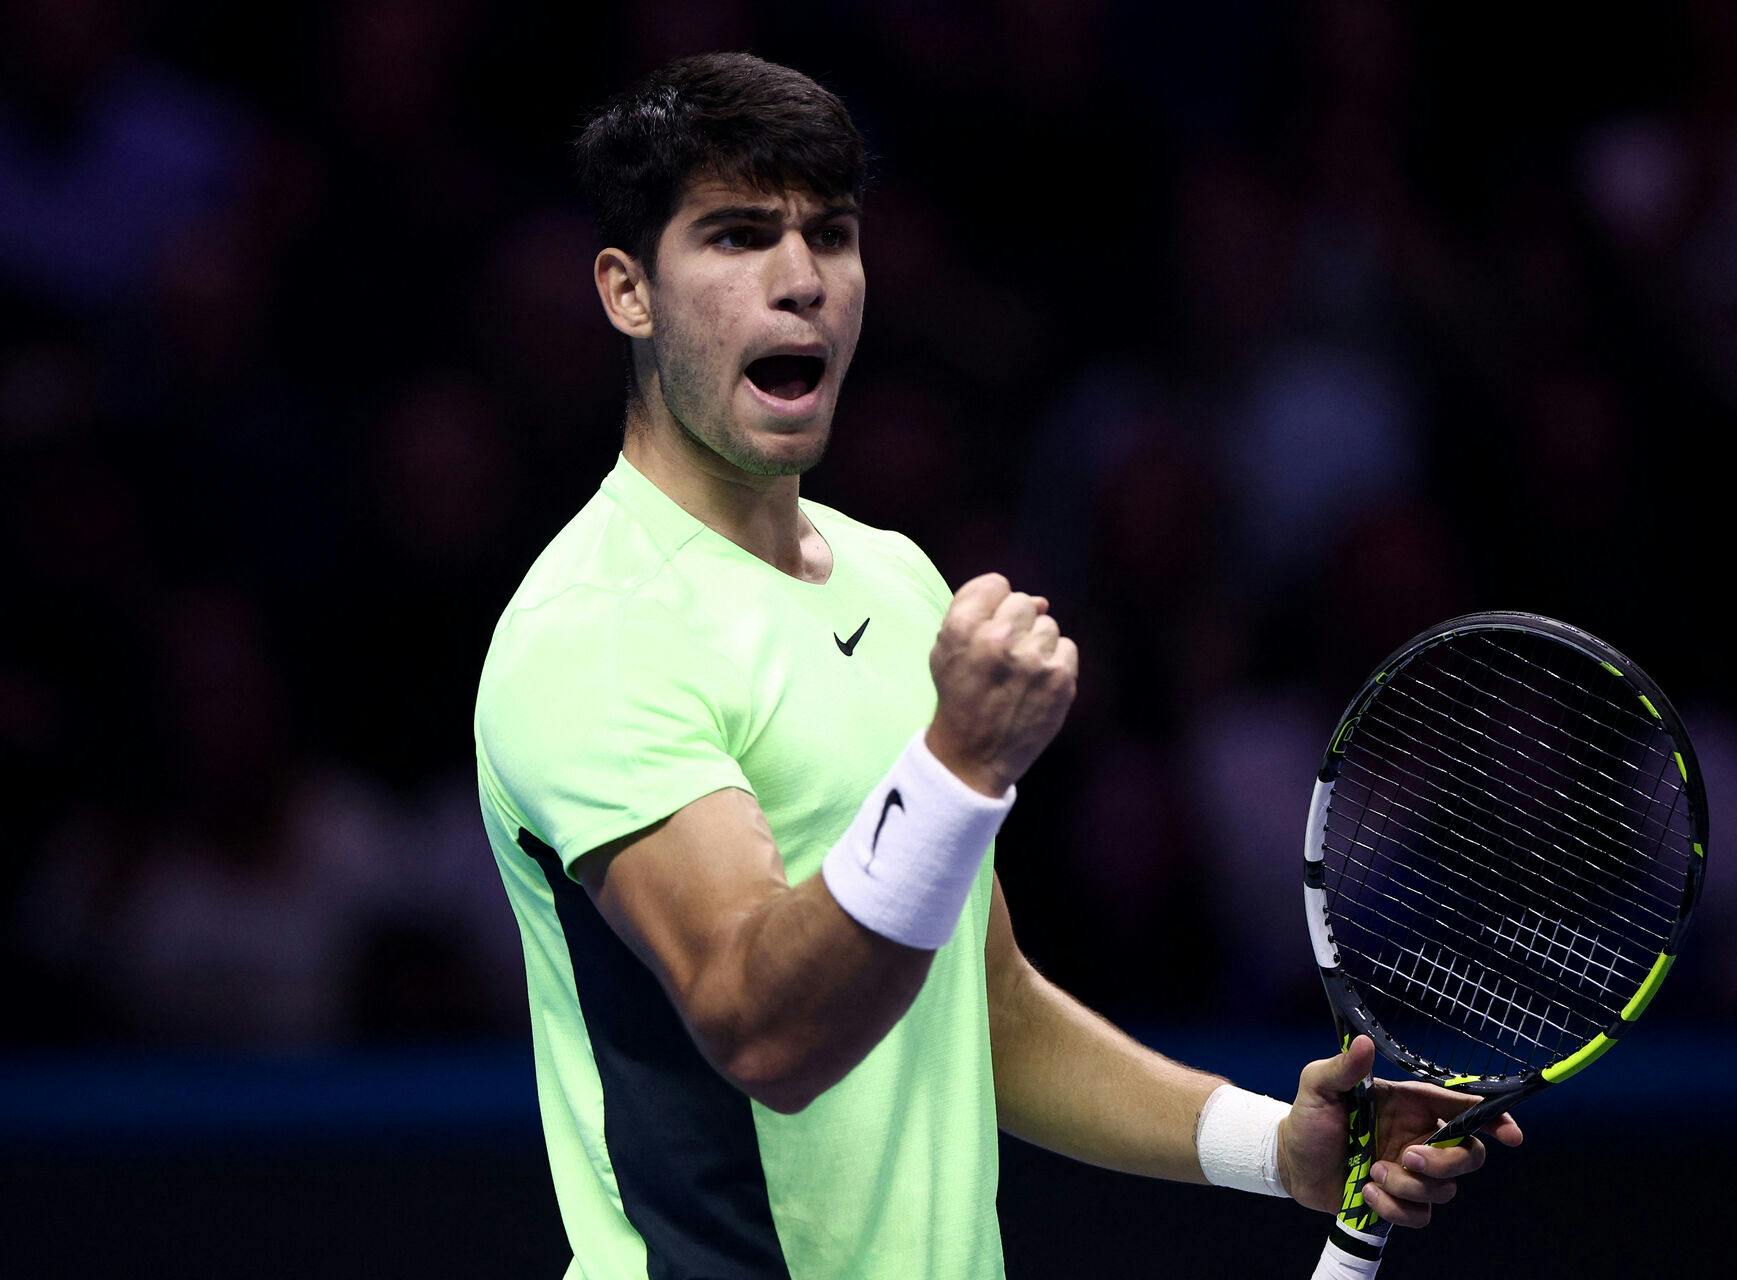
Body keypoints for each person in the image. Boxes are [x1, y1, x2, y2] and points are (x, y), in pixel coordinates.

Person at [473, 51, 1521, 1280]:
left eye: (832, 234)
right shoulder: (594, 630)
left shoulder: (895, 578)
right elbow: (761, 1027)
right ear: (627, 291)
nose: (802, 281)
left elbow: (985, 1007)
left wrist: (1272, 1144)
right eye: (739, 236)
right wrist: (958, 762)